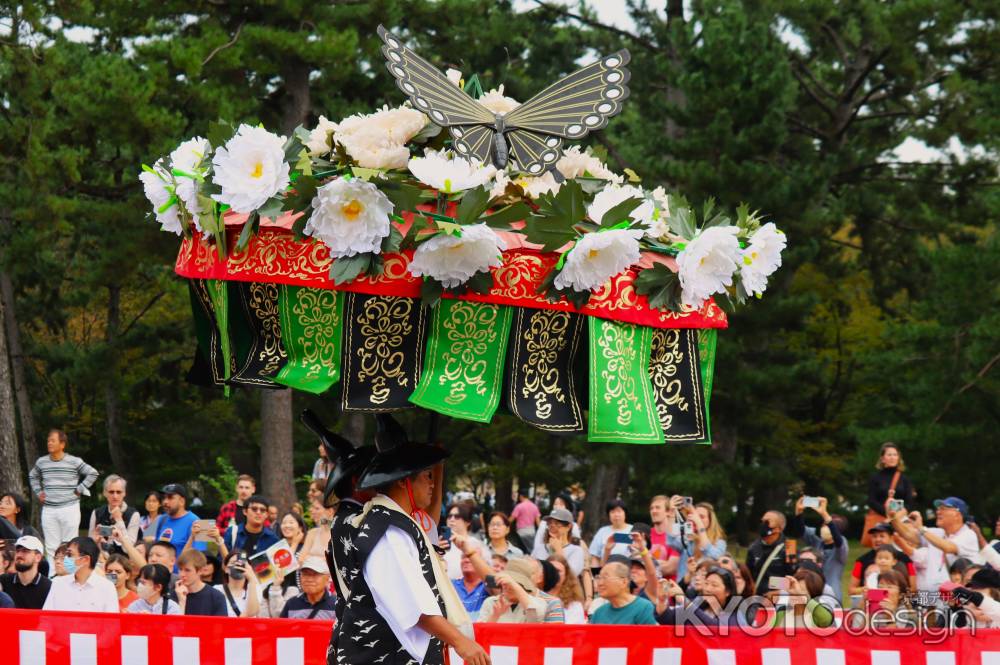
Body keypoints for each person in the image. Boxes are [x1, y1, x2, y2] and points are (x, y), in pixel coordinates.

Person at [336, 414, 489, 665]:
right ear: (403, 480)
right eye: (426, 476)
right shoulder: (388, 530)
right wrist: (462, 643)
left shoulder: (392, 522)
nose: (431, 484)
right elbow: (414, 607)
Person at [28, 429, 99, 563]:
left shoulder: (74, 461)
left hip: (70, 507)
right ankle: (53, 578)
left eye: (53, 440)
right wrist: (38, 492)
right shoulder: (41, 462)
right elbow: (32, 476)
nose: (49, 443)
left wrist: (80, 489)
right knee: (50, 546)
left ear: (62, 444)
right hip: (49, 509)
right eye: (48, 440)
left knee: (70, 545)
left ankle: (70, 576)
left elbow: (93, 473)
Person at [42, 536, 119, 612]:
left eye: (69, 555)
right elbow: (46, 619)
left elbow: (111, 622)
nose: (66, 559)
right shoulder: (58, 583)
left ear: (85, 559)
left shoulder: (107, 587)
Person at [863, 442, 915, 547]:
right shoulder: (875, 478)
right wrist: (887, 515)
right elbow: (871, 501)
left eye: (895, 455)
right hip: (881, 519)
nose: (892, 457)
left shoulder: (904, 479)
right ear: (882, 458)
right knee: (881, 550)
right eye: (889, 454)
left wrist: (895, 516)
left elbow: (910, 502)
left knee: (902, 549)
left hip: (901, 521)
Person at [849, 522, 916, 594]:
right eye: (874, 536)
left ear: (891, 538)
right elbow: (851, 590)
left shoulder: (906, 559)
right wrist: (865, 589)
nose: (878, 539)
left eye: (882, 536)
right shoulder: (862, 561)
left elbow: (913, 588)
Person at [478, 557, 550, 623]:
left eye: (515, 583)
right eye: (505, 582)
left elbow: (536, 618)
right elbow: (480, 633)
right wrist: (495, 615)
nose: (508, 586)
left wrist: (513, 584)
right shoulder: (490, 602)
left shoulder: (538, 602)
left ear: (524, 585)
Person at [589, 561, 657, 625]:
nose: (600, 583)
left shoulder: (643, 607)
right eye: (598, 578)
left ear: (624, 582)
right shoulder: (599, 613)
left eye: (605, 577)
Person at [88, 475, 142, 554]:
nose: (115, 496)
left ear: (124, 493)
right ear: (105, 493)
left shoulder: (134, 514)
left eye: (119, 492)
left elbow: (128, 549)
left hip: (123, 561)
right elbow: (89, 545)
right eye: (111, 492)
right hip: (101, 559)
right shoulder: (96, 513)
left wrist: (119, 520)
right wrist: (96, 542)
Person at [218, 494, 280, 559]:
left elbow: (276, 566)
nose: (258, 512)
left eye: (262, 510)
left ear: (266, 514)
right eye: (254, 509)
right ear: (245, 511)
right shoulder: (232, 532)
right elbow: (221, 561)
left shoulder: (272, 538)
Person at [153, 483, 199, 568]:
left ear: (182, 501)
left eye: (170, 497)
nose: (165, 502)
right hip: (160, 575)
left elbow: (200, 558)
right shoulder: (161, 519)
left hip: (181, 577)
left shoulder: (197, 522)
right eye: (164, 498)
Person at [0, 536, 51, 608]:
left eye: (25, 551)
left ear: (38, 557)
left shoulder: (48, 587)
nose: (19, 555)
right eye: (17, 551)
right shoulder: (4, 581)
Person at [532, 508, 586, 576]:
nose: (552, 526)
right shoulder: (539, 548)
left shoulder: (576, 551)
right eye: (550, 523)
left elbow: (571, 575)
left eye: (557, 524)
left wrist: (558, 550)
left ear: (569, 527)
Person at [175, 549, 227, 616]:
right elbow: (171, 626)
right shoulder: (172, 595)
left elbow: (221, 625)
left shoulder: (216, 597)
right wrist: (181, 602)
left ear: (200, 571)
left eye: (187, 570)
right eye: (180, 569)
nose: (182, 574)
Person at [443, 503, 487, 579]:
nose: (452, 519)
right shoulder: (440, 543)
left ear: (468, 522)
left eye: (457, 517)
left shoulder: (475, 544)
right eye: (449, 516)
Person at [214, 550, 260, 617]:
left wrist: (252, 580)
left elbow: (251, 613)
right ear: (226, 569)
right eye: (233, 563)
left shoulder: (255, 588)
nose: (238, 566)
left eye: (242, 564)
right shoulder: (217, 589)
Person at [647, 495, 682, 579]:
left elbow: (671, 568)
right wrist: (662, 563)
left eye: (658, 508)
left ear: (668, 512)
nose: (654, 511)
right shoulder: (645, 534)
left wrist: (648, 563)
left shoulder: (676, 534)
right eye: (652, 508)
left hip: (669, 589)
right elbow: (637, 564)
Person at [591, 499, 633, 566]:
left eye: (619, 511)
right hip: (606, 571)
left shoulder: (633, 531)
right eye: (612, 512)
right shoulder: (602, 532)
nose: (616, 515)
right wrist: (596, 574)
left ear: (625, 513)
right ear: (609, 515)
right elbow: (595, 557)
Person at [548, 553, 586, 623]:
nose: (554, 573)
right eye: (550, 569)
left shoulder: (574, 604)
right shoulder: (535, 596)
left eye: (558, 571)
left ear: (566, 575)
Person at [452, 554, 488, 619]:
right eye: (463, 557)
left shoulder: (489, 587)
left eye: (471, 557)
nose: (466, 560)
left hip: (479, 628)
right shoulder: (451, 584)